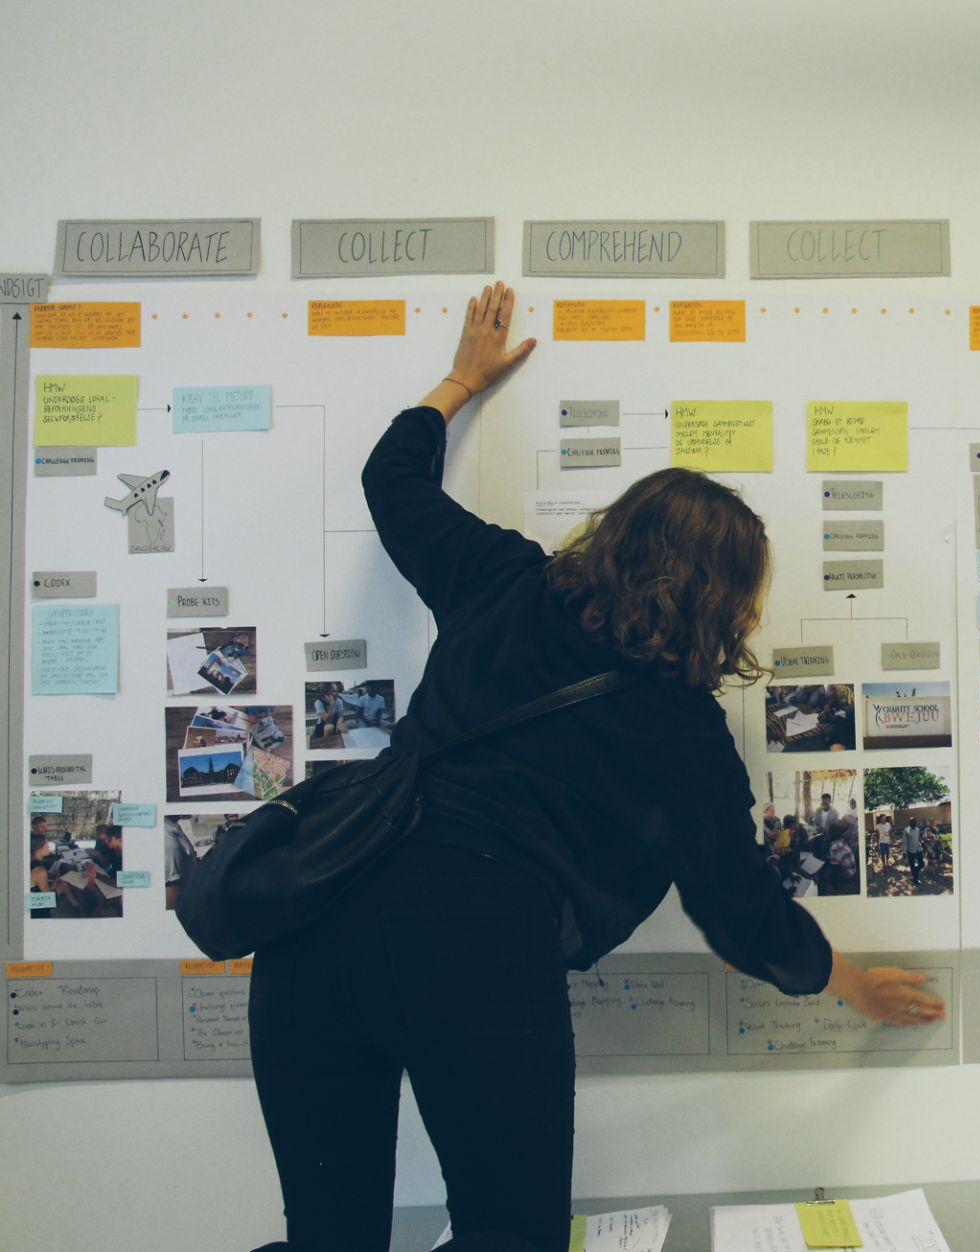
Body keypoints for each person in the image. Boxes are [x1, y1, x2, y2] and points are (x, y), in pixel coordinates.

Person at [247, 283, 944, 1252]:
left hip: (319, 914)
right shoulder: (681, 732)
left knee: (327, 1238)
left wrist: (459, 382)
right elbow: (741, 917)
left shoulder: (499, 579)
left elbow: (391, 482)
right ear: (727, 604)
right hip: (476, 953)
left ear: (615, 536)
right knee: (510, 1236)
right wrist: (852, 983)